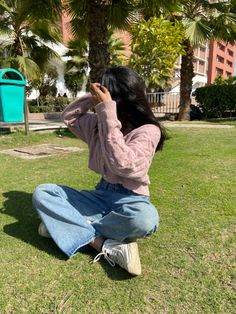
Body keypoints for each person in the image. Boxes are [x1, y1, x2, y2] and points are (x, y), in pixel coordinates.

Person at [32, 66, 166, 276]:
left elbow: (122, 165)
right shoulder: (97, 124)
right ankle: (103, 244)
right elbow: (69, 117)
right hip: (100, 195)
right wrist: (91, 98)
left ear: (122, 98)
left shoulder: (149, 131)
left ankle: (62, 225)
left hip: (131, 200)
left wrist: (107, 112)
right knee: (44, 192)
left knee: (145, 220)